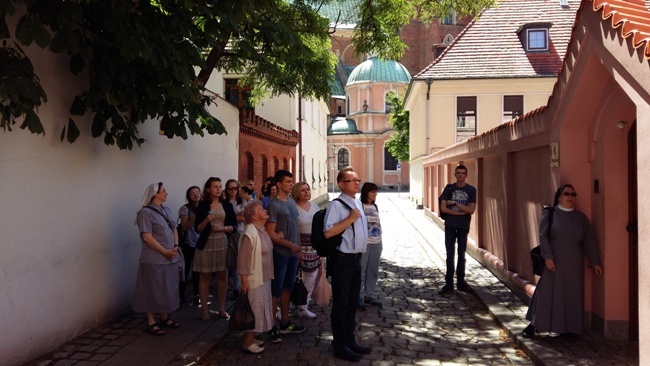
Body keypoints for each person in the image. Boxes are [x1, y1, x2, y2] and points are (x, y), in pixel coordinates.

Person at [523, 184, 603, 337]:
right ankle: (534, 325)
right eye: (567, 194)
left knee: (571, 294)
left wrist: (595, 262)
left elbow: (589, 241)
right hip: (554, 261)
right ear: (559, 196)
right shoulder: (550, 214)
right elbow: (543, 236)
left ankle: (568, 329)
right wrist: (548, 257)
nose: (570, 197)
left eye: (573, 194)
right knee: (546, 293)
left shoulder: (581, 218)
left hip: (573, 263)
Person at [324, 166, 371, 362]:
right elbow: (328, 232)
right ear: (342, 184)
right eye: (353, 180)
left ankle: (349, 339)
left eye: (358, 179)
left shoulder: (357, 203)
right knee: (341, 304)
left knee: (352, 303)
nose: (357, 182)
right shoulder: (336, 205)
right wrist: (350, 219)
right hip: (342, 261)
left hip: (356, 260)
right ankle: (339, 345)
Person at [133, 182, 181, 336]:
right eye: (163, 191)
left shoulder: (166, 210)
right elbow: (147, 237)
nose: (166, 193)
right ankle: (151, 321)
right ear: (155, 194)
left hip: (169, 258)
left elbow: (174, 228)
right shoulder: (145, 213)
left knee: (166, 288)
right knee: (151, 289)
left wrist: (175, 246)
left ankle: (164, 317)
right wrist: (164, 251)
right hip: (154, 259)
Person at [265, 170, 305, 342]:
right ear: (279, 184)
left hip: (293, 255)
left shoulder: (290, 202)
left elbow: (295, 227)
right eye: (288, 181)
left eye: (292, 180)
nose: (291, 184)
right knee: (275, 291)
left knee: (287, 288)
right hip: (280, 254)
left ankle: (285, 321)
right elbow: (271, 233)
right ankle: (271, 325)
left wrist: (299, 249)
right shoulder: (274, 205)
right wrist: (290, 245)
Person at [194, 177, 238, 321]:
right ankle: (205, 310)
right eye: (215, 187)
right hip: (206, 244)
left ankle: (221, 308)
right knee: (205, 276)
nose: (218, 189)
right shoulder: (202, 205)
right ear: (208, 189)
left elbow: (234, 227)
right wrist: (206, 220)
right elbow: (198, 229)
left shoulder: (226, 205)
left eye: (220, 186)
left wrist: (223, 228)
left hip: (222, 243)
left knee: (222, 276)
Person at [238, 200, 275, 354]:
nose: (265, 210)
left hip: (264, 277)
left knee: (258, 309)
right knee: (253, 311)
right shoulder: (249, 233)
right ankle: (247, 342)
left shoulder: (261, 229)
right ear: (254, 217)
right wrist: (244, 281)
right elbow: (243, 259)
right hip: (254, 279)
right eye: (261, 209)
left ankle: (251, 338)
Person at [439, 164, 476, 294]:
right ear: (455, 175)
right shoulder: (449, 188)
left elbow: (471, 210)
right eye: (458, 173)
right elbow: (443, 208)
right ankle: (448, 283)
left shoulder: (471, 190)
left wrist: (454, 203)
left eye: (462, 173)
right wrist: (460, 212)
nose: (460, 175)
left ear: (466, 175)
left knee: (461, 254)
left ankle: (461, 282)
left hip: (463, 226)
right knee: (450, 255)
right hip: (450, 225)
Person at [291, 181, 321, 319]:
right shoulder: (293, 208)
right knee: (294, 279)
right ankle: (287, 307)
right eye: (303, 190)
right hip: (299, 247)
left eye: (308, 189)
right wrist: (298, 250)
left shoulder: (315, 207)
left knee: (311, 279)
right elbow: (293, 229)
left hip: (314, 249)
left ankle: (303, 307)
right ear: (297, 192)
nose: (306, 192)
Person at [357, 182, 383, 311]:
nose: (375, 194)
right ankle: (359, 297)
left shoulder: (375, 206)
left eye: (376, 192)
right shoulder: (359, 206)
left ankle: (368, 295)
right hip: (364, 244)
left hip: (376, 243)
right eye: (373, 192)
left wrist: (380, 241)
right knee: (361, 271)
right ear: (366, 192)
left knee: (373, 272)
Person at [178, 186, 202, 306]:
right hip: (189, 244)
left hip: (201, 243)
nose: (196, 195)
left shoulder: (205, 207)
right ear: (189, 196)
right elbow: (184, 227)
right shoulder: (185, 209)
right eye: (193, 193)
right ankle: (181, 295)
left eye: (198, 192)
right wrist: (194, 218)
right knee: (185, 269)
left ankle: (197, 294)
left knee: (197, 270)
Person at [223, 179, 245, 298]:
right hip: (226, 233)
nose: (233, 191)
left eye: (235, 188)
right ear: (227, 189)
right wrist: (236, 218)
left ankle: (236, 287)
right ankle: (225, 286)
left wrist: (238, 218)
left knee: (237, 260)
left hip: (239, 232)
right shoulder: (224, 202)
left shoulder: (241, 202)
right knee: (226, 260)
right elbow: (225, 219)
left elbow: (245, 217)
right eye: (230, 188)